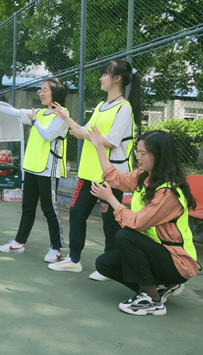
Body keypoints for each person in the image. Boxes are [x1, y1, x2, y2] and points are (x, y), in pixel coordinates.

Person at [89, 128, 199, 316]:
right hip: (156, 252)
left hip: (177, 261)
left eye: (142, 153)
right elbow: (114, 178)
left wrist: (111, 199)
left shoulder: (168, 192)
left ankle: (152, 299)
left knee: (125, 236)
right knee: (104, 264)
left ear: (158, 156)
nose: (137, 157)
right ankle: (163, 286)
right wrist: (99, 146)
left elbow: (136, 223)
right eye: (137, 152)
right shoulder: (144, 177)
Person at [48, 59, 141, 280]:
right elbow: (85, 131)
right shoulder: (101, 106)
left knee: (111, 222)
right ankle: (74, 260)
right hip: (89, 172)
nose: (101, 78)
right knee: (76, 213)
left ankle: (108, 267)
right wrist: (66, 118)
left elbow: (110, 141)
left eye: (104, 74)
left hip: (111, 175)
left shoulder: (124, 108)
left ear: (117, 78)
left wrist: (85, 135)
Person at [0, 78, 69, 261]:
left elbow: (48, 135)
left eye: (45, 90)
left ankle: (56, 247)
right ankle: (19, 242)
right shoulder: (40, 112)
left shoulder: (62, 114)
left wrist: (34, 121)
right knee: (27, 207)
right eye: (40, 90)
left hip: (48, 170)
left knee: (49, 209)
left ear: (55, 92)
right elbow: (15, 112)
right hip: (32, 167)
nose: (41, 93)